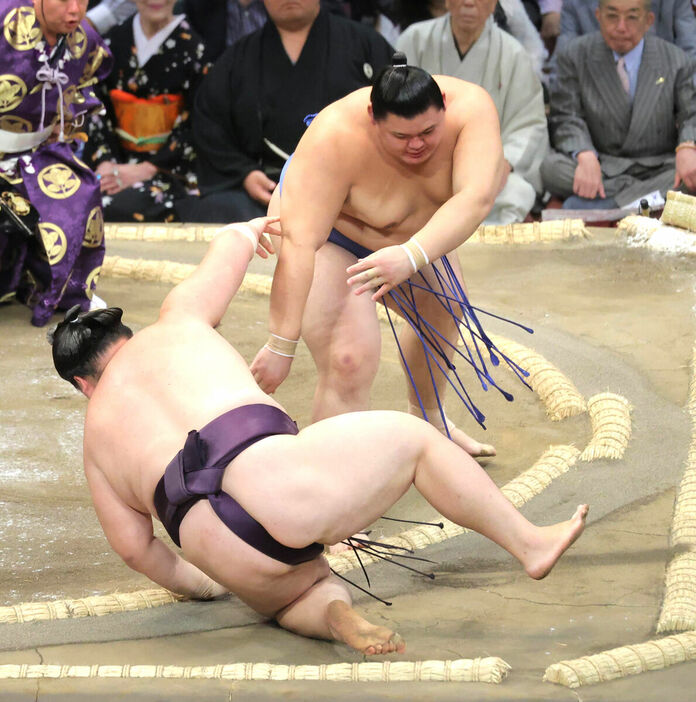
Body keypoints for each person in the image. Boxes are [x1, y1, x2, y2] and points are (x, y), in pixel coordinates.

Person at [48, 214, 589, 654]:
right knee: (417, 440)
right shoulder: (177, 321)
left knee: (297, 592)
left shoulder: (95, 442)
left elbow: (137, 550)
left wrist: (208, 583)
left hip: (221, 547)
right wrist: (251, 231)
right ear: (125, 334)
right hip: (278, 481)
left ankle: (334, 616)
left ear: (82, 383)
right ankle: (529, 543)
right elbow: (230, 243)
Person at [250, 57, 528, 457]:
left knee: (444, 314)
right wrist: (281, 344)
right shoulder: (335, 134)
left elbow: (475, 198)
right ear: (372, 118)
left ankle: (428, 418)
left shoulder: (472, 111)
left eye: (429, 131)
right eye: (401, 136)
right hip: (332, 236)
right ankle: (331, 488)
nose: (417, 144)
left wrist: (411, 254)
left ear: (444, 106)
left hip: (411, 239)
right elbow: (299, 243)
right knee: (349, 357)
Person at [186, 0, 393, 223]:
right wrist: (244, 173)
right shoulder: (238, 58)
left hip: (353, 184)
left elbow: (399, 110)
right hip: (267, 187)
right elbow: (210, 125)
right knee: (222, 210)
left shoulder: (365, 44)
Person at [0, 0, 113, 326]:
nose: (74, 9)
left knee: (81, 191)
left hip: (38, 151)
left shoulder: (85, 39)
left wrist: (68, 121)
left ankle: (69, 293)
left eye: (81, 0)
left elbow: (88, 81)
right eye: (63, 0)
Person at [397, 0, 549, 224]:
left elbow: (529, 124)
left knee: (516, 193)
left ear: (494, 4)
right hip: (423, 164)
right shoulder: (415, 39)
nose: (469, 3)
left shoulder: (513, 54)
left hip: (485, 170)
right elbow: (392, 106)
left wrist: (503, 164)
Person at [541, 0, 696, 209]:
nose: (621, 27)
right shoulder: (574, 55)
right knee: (550, 169)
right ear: (598, 16)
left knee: (691, 171)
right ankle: (645, 200)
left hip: (657, 163)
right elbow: (566, 116)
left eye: (632, 17)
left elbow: (690, 113)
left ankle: (608, 203)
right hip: (603, 163)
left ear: (648, 20)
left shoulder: (675, 59)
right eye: (612, 16)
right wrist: (585, 154)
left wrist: (687, 146)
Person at [82, 0, 210, 223]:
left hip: (168, 173)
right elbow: (96, 110)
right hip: (114, 168)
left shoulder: (194, 50)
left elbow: (198, 122)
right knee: (77, 201)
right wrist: (105, 162)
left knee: (117, 207)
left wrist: (149, 168)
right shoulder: (111, 43)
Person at [557, 0, 696, 60]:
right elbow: (562, 61)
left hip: (664, 97)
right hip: (594, 101)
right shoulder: (574, 3)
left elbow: (690, 53)